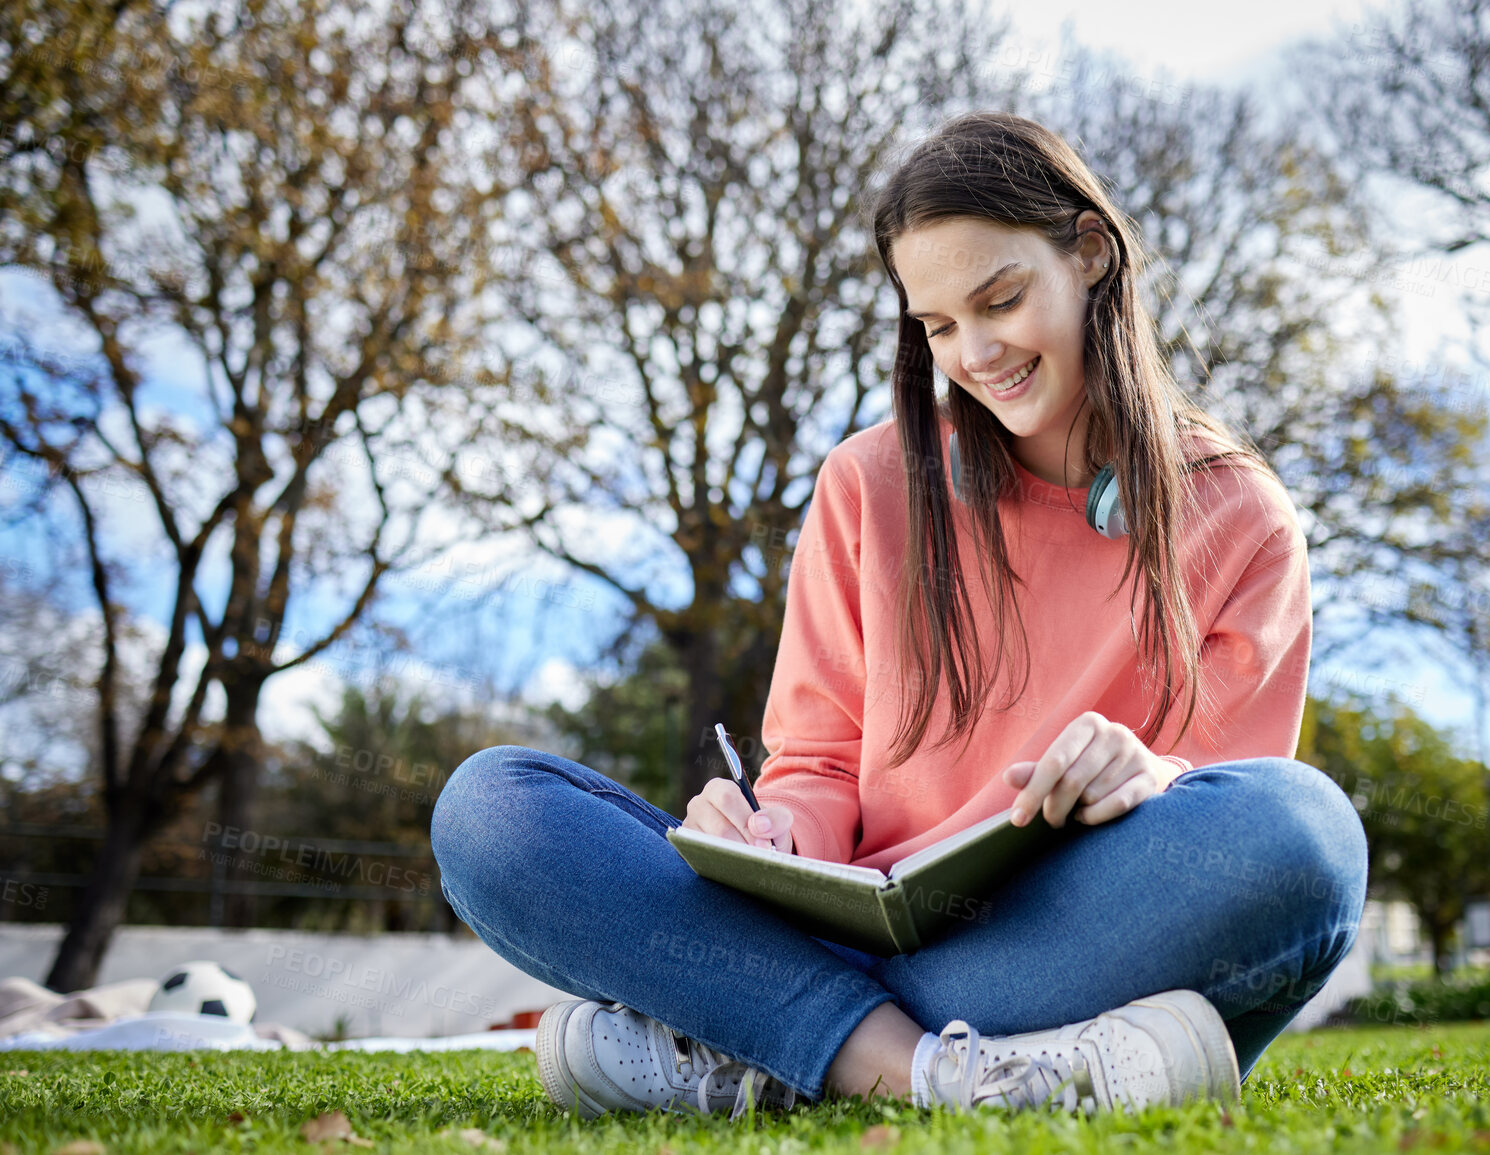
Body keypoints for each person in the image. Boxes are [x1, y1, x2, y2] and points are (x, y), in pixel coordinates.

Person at [431, 110, 1367, 1122]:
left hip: (1054, 939)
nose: (974, 353)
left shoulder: (1239, 514)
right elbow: (820, 760)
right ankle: (941, 1075)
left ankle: (762, 1041)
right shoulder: (869, 483)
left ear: (1091, 254)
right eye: (937, 326)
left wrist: (1150, 777)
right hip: (845, 926)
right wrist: (770, 830)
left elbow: (1227, 806)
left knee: (1304, 832)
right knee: (494, 809)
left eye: (999, 300)